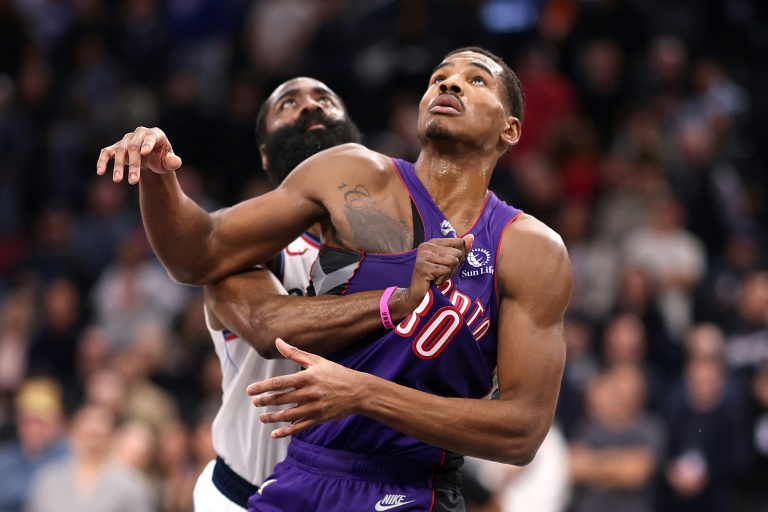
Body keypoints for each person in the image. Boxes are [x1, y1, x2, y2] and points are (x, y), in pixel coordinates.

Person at [97, 46, 572, 511]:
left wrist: (362, 393)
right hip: (282, 478)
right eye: (438, 76)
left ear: (511, 130)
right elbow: (207, 262)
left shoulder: (531, 249)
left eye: (476, 80)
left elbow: (523, 430)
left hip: (406, 488)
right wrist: (159, 178)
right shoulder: (347, 178)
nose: (448, 82)